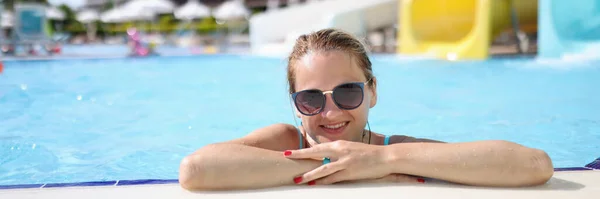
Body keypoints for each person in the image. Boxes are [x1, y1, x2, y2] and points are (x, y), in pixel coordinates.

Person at [178, 28, 554, 191]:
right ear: (295, 107)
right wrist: (340, 164)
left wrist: (383, 158)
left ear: (372, 92)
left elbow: (534, 165)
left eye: (347, 92)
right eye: (310, 99)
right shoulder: (286, 139)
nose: (329, 113)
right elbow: (196, 170)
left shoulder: (394, 148)